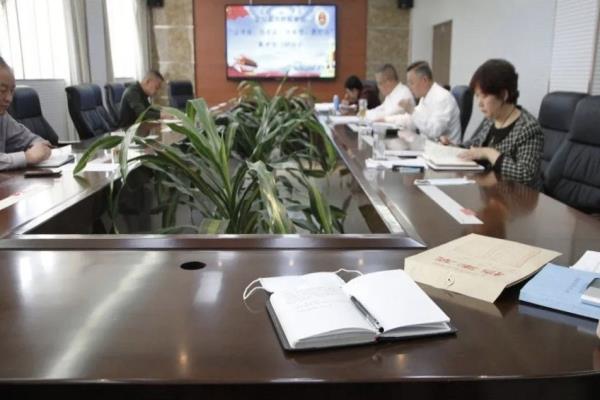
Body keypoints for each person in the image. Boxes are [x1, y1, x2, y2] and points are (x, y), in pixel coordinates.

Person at [455, 59, 543, 189]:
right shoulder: (491, 118)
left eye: (484, 96)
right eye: (477, 96)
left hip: (517, 198)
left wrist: (489, 153)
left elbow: (525, 175)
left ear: (503, 95)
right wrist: (453, 147)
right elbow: (475, 144)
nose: (479, 103)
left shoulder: (528, 128)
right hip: (490, 191)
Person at [387, 61, 461, 144]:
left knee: (394, 144)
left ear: (425, 80)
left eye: (411, 83)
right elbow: (411, 120)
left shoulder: (443, 98)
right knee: (390, 139)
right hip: (428, 146)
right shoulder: (425, 97)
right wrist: (386, 119)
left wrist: (412, 111)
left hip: (444, 149)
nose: (409, 87)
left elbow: (434, 131)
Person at [0, 57, 51, 170]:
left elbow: (30, 139)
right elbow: (28, 156)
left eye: (11, 91)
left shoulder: (3, 117)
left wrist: (40, 147)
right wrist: (27, 157)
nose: (9, 98)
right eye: (2, 90)